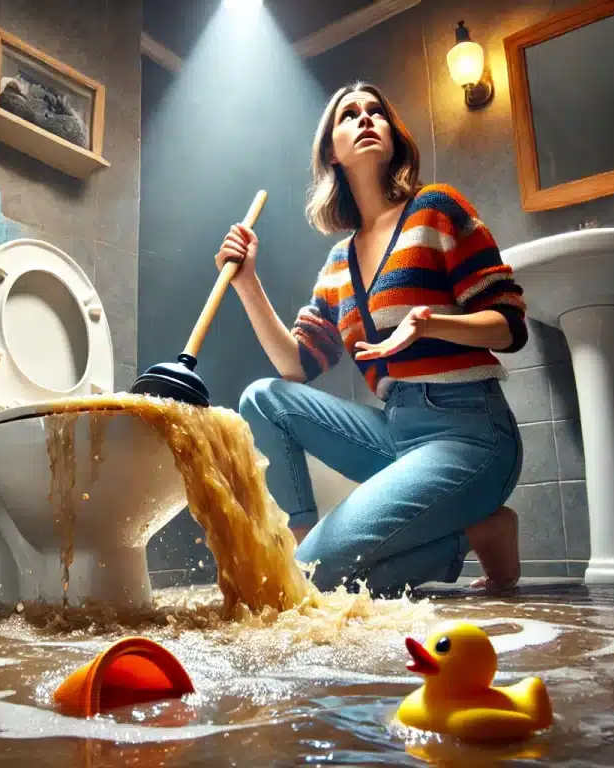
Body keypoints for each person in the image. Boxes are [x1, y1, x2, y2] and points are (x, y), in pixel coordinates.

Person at [215, 82, 527, 598]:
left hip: (470, 431)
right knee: (262, 398)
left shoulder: (436, 209)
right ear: (331, 153)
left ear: (392, 135)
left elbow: (509, 323)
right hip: (395, 430)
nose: (365, 119)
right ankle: (303, 539)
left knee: (315, 581)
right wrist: (247, 280)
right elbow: (295, 365)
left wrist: (430, 324)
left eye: (376, 112)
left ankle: (481, 530)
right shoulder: (339, 263)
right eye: (349, 115)